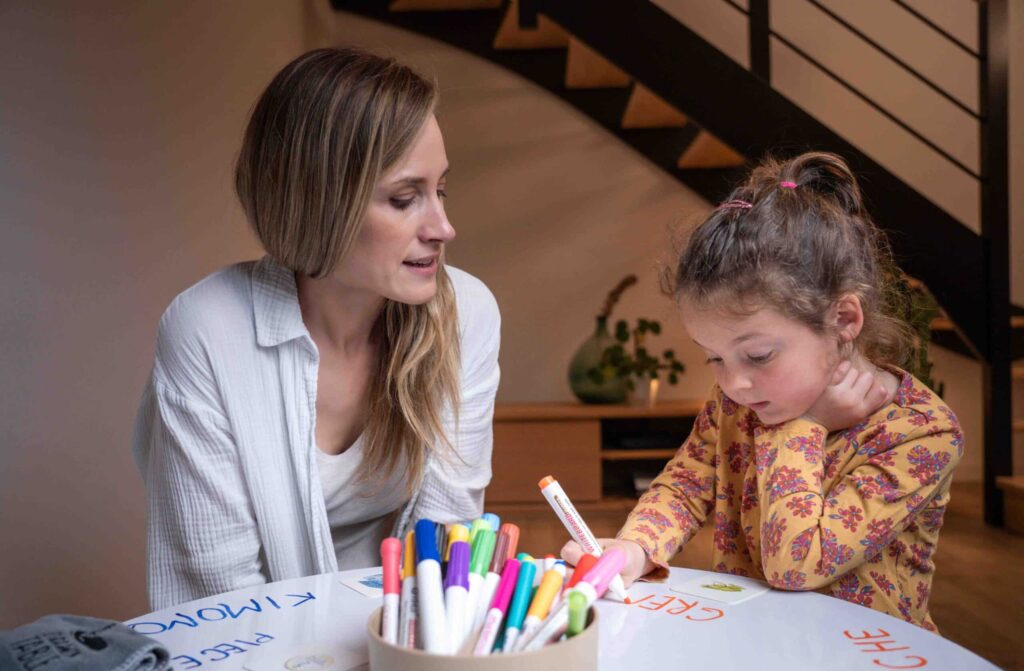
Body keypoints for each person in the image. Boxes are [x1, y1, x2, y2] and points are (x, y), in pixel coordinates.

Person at [133, 48, 500, 610]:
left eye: (440, 190)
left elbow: (447, 545)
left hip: (404, 641)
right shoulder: (206, 331)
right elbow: (221, 592)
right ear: (320, 201)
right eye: (405, 199)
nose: (443, 228)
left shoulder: (467, 313)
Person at [562, 152, 961, 631]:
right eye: (714, 357)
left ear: (844, 320)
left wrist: (803, 428)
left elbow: (795, 564)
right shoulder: (737, 401)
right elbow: (688, 483)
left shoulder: (920, 434)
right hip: (755, 643)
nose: (733, 383)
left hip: (864, 659)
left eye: (757, 356)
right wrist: (636, 546)